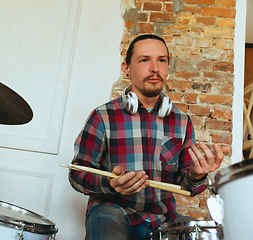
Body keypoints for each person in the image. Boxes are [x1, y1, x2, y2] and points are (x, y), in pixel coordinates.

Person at [68, 34, 230, 240]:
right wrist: (110, 185)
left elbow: (187, 186)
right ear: (126, 68)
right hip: (113, 211)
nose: (155, 68)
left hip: (164, 218)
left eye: (161, 60)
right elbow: (76, 175)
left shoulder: (182, 121)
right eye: (145, 60)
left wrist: (196, 176)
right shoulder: (103, 116)